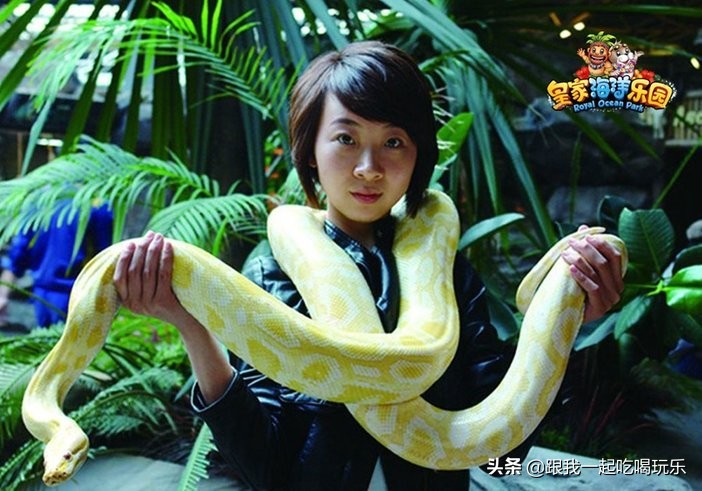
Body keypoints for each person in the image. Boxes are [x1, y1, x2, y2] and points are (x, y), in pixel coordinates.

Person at [113, 41, 624, 490]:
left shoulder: (449, 274)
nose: (368, 168)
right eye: (346, 138)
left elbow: (500, 451)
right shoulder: (272, 279)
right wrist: (191, 323)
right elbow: (266, 469)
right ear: (309, 151)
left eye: (393, 142)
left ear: (418, 155)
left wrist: (565, 319)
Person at [0, 200, 113, 328]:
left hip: (41, 296)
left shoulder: (39, 201)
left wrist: (3, 295)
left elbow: (18, 254)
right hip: (75, 294)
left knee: (44, 338)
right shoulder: (96, 203)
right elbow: (106, 256)